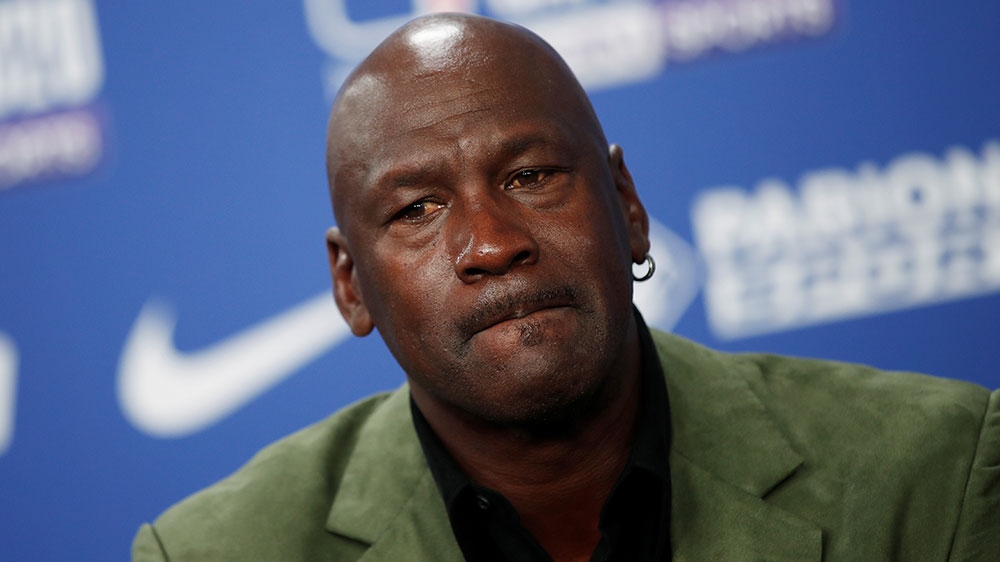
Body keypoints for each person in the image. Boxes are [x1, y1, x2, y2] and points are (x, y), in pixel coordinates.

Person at [132, 13, 999, 562]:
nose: (491, 243)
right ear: (350, 286)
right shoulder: (216, 552)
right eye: (418, 209)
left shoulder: (937, 470)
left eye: (531, 175)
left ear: (628, 206)